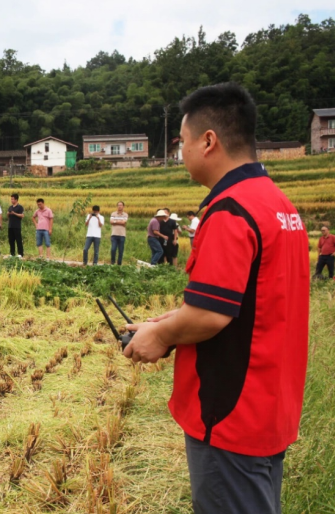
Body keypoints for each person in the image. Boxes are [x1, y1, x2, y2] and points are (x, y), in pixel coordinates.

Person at [123, 83, 309, 514]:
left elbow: (209, 315)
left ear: (208, 141)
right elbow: (248, 301)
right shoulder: (279, 205)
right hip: (268, 405)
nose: (180, 152)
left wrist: (160, 336)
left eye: (182, 142)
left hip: (230, 414)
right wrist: (170, 321)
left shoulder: (231, 210)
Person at [7, 193, 25, 258]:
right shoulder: (10, 207)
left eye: (12, 199)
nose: (11, 200)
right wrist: (8, 214)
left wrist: (14, 213)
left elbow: (22, 215)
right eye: (11, 199)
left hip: (17, 226)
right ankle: (12, 253)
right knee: (11, 240)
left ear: (16, 199)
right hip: (10, 226)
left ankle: (20, 253)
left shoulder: (20, 207)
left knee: (18, 240)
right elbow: (8, 217)